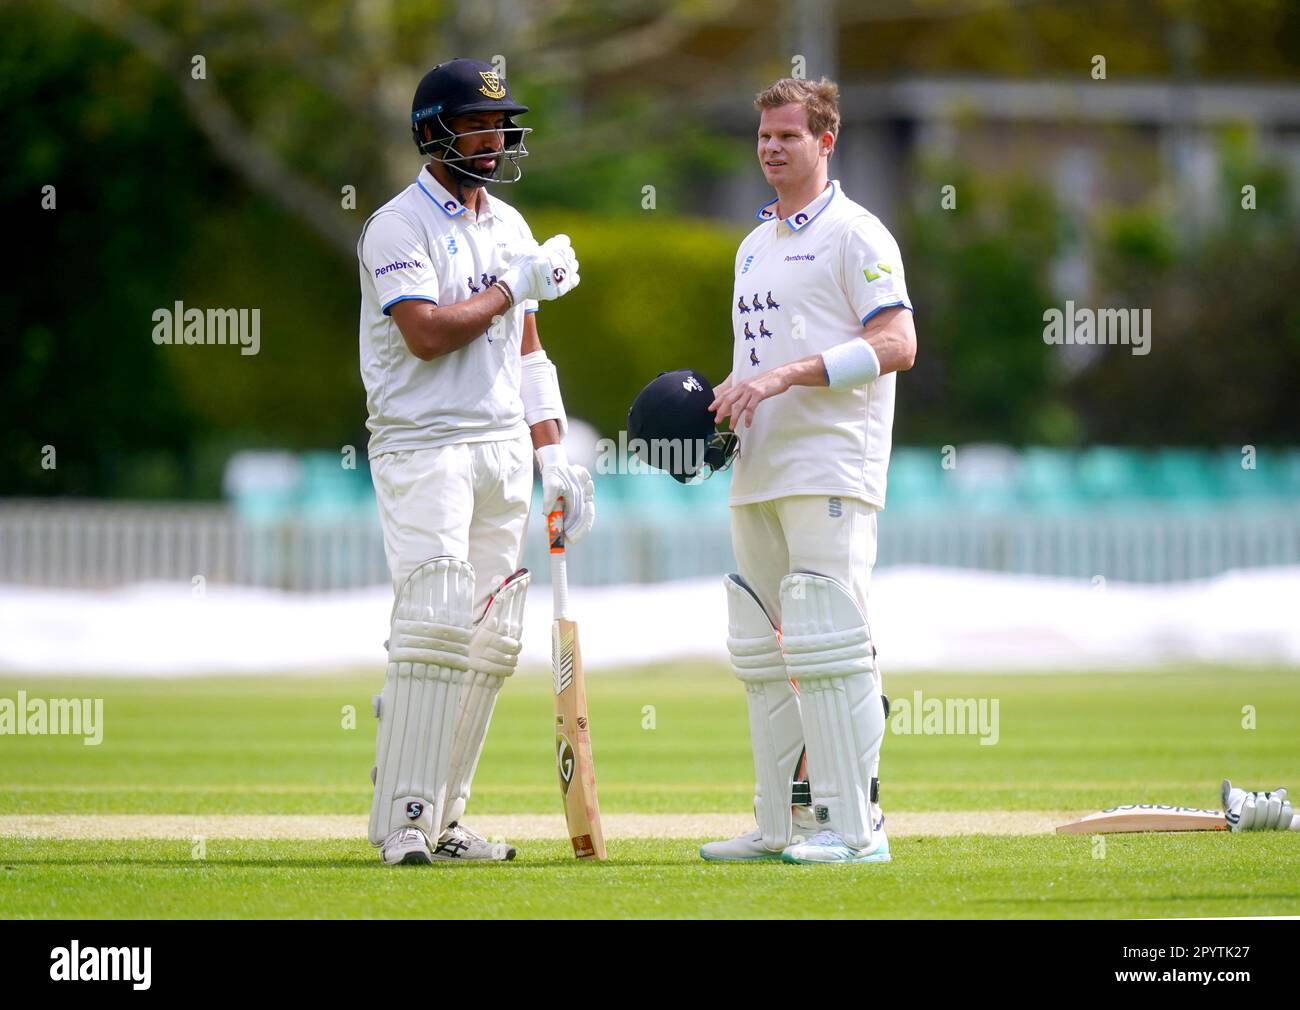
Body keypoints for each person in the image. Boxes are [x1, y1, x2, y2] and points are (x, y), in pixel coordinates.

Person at [356, 58, 594, 865]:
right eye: (475, 124)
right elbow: (424, 334)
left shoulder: (510, 226)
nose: (492, 139)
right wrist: (513, 285)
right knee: (434, 633)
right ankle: (402, 822)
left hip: (500, 452)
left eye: (500, 125)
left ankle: (447, 819)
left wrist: (553, 453)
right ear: (433, 132)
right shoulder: (396, 225)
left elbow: (528, 351)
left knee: (491, 643)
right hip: (425, 446)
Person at [703, 76, 918, 864]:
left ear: (825, 142)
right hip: (759, 469)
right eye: (764, 135)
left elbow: (898, 345)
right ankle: (779, 824)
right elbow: (755, 363)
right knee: (766, 647)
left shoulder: (858, 234)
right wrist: (727, 401)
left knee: (830, 639)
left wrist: (786, 376)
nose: (771, 147)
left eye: (788, 136)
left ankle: (856, 829)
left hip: (830, 465)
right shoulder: (753, 244)